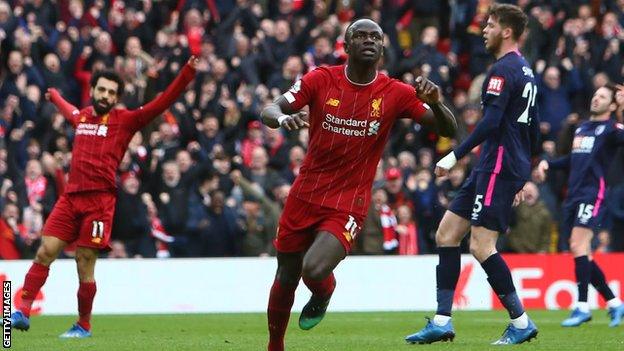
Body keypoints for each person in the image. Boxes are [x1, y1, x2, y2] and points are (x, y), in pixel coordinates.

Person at [260, 18, 457, 351]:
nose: (369, 41)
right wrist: (283, 119)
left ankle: (323, 292)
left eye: (376, 37)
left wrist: (437, 102)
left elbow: (449, 130)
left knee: (314, 269)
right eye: (361, 36)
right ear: (346, 45)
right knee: (286, 273)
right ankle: (275, 345)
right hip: (305, 194)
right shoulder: (321, 79)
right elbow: (270, 108)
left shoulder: (395, 92)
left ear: (382, 47)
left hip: (348, 201)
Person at [9, 56, 198, 338]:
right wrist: (55, 96)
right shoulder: (82, 117)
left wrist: (186, 74)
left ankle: (83, 324)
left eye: (111, 92)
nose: (106, 95)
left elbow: (162, 103)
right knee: (45, 250)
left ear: (117, 98)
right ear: (94, 90)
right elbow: (69, 110)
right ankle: (22, 311)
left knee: (84, 261)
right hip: (71, 198)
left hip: (99, 203)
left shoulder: (126, 120)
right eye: (102, 89)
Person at [405, 4, 540, 345]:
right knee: (447, 233)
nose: (484, 30)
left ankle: (521, 322)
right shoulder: (525, 71)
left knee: (481, 245)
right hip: (499, 165)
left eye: (490, 25)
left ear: (506, 31)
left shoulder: (502, 70)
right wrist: (524, 171)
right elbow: (532, 126)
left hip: (498, 165)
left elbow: (492, 123)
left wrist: (453, 155)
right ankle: (441, 320)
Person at [535, 84, 624, 328]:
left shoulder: (612, 130)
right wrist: (548, 164)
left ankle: (582, 306)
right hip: (573, 195)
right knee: (580, 251)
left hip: (592, 195)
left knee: (578, 244)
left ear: (613, 105)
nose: (596, 99)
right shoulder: (582, 127)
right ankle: (615, 302)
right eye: (595, 95)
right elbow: (573, 160)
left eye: (603, 97)